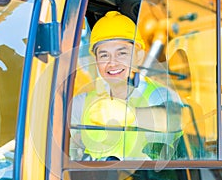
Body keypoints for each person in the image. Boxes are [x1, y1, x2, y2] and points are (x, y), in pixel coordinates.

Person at [70, 11, 183, 161]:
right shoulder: (83, 103)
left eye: (121, 53)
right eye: (104, 55)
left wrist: (129, 114)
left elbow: (175, 119)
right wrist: (75, 144)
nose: (112, 62)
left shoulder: (158, 94)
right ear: (96, 61)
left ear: (139, 56)